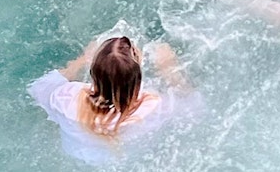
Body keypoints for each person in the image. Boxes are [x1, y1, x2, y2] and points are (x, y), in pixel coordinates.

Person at [27, 36, 190, 164]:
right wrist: (169, 68)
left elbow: (38, 88)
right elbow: (194, 107)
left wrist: (82, 60)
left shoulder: (67, 97)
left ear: (93, 73)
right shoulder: (154, 107)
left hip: (78, 157)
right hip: (127, 164)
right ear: (137, 77)